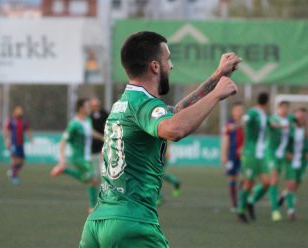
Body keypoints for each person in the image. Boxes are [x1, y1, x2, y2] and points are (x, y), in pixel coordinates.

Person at [79, 31, 241, 247]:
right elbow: (174, 129)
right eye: (168, 59)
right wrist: (216, 95)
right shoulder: (144, 103)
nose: (171, 66)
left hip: (98, 222)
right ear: (155, 66)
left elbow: (175, 113)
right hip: (131, 224)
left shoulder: (125, 102)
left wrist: (217, 77)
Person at [51, 98, 104, 213]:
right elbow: (63, 142)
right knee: (93, 177)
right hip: (78, 157)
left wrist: (103, 138)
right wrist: (62, 159)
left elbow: (91, 132)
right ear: (81, 108)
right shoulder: (74, 124)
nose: (90, 108)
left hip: (87, 157)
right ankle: (92, 207)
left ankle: (64, 171)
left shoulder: (87, 120)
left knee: (91, 180)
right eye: (87, 106)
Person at [237, 92, 270, 223]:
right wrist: (236, 125)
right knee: (248, 183)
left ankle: (251, 201)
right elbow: (244, 120)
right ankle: (241, 210)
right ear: (267, 102)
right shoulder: (253, 112)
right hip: (250, 154)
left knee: (267, 183)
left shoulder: (264, 115)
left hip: (261, 155)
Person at [282, 107, 308, 220]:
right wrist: (286, 153)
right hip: (291, 161)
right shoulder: (289, 128)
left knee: (295, 186)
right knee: (292, 185)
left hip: (303, 162)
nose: (302, 119)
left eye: (304, 117)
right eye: (300, 116)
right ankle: (291, 211)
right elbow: (281, 143)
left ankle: (283, 195)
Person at [264, 101, 292, 221]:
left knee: (279, 181)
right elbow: (271, 124)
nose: (284, 110)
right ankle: (275, 211)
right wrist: (281, 126)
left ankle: (254, 195)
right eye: (282, 108)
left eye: (286, 108)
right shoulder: (273, 119)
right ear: (278, 108)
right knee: (274, 180)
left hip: (282, 155)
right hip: (271, 153)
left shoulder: (290, 120)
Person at [220, 102, 244, 212]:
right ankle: (234, 204)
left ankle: (243, 199)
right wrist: (224, 154)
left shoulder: (245, 124)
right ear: (233, 111)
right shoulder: (229, 124)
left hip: (244, 155)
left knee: (246, 178)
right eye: (237, 110)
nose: (239, 112)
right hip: (232, 155)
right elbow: (225, 139)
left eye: (241, 110)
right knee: (232, 178)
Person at [3, 105, 33, 185]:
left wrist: (31, 140)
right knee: (15, 160)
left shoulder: (24, 121)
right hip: (14, 143)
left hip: (21, 144)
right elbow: (6, 130)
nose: (20, 112)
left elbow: (28, 131)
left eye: (21, 110)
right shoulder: (11, 120)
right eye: (18, 110)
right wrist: (6, 140)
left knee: (22, 162)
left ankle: (12, 171)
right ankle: (14, 177)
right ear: (15, 111)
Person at [90, 96, 109, 176]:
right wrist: (101, 137)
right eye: (94, 106)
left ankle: (103, 179)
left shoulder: (104, 113)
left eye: (97, 105)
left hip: (104, 142)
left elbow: (108, 124)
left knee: (103, 162)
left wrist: (106, 136)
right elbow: (90, 130)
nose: (96, 107)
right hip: (93, 143)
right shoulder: (89, 115)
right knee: (93, 165)